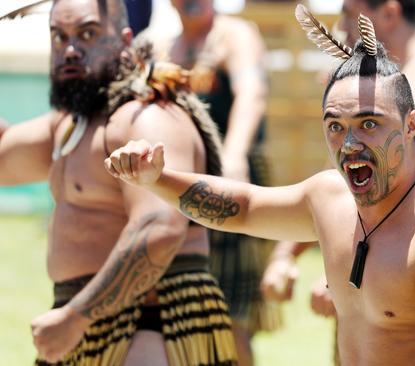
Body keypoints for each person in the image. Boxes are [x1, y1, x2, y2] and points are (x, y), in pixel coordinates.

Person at [106, 12, 415, 364]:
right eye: (335, 127)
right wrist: (157, 178)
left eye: (369, 124)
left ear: (411, 125)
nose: (349, 144)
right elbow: (242, 207)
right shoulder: (329, 200)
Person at [0, 0, 237, 364]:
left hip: (155, 325)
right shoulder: (69, 124)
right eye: (58, 37)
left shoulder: (145, 115)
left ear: (124, 39)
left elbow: (160, 228)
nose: (70, 50)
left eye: (87, 33)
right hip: (85, 324)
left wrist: (76, 316)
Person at [261, 0, 415, 323]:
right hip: (378, 291)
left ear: (389, 12)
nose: (341, 29)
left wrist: (347, 269)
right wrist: (285, 254)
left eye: (348, 15)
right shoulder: (384, 86)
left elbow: (397, 194)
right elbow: (341, 178)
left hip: (410, 303)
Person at [141, 1, 278, 364]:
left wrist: (233, 155)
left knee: (230, 315)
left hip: (229, 185)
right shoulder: (160, 47)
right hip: (173, 189)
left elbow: (252, 95)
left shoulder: (235, 35)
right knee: (178, 311)